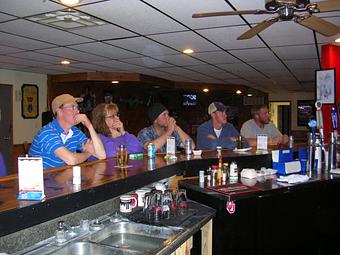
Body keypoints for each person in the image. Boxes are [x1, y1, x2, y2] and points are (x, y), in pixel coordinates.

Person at [29, 94, 106, 169]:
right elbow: (71, 160)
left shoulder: (75, 132)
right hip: (41, 180)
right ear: (59, 111)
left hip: (62, 179)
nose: (78, 111)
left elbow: (102, 155)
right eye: (73, 107)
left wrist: (89, 125)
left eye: (77, 107)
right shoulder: (47, 133)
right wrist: (89, 153)